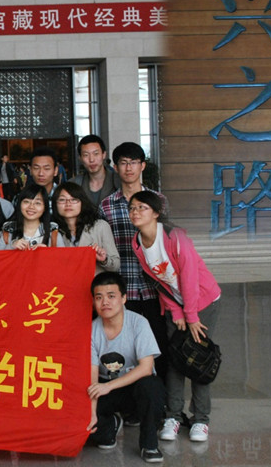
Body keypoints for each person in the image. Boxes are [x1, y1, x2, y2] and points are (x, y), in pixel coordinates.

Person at [129, 190, 222, 443]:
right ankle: (173, 416)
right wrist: (176, 310)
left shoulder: (175, 236)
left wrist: (190, 315)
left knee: (198, 357)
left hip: (203, 301)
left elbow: (189, 277)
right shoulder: (137, 242)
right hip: (177, 307)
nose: (136, 212)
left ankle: (201, 419)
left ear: (156, 213)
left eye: (142, 208)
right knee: (174, 359)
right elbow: (159, 282)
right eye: (133, 208)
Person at [99, 142, 169, 378]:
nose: (128, 168)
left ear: (142, 166)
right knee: (126, 349)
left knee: (160, 345)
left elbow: (167, 242)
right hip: (124, 288)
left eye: (133, 162)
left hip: (155, 288)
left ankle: (162, 397)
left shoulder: (158, 200)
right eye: (123, 163)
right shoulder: (106, 205)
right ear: (115, 167)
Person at [87, 272, 166, 463]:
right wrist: (91, 414)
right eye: (99, 297)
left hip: (134, 388)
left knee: (152, 387)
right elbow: (92, 377)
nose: (105, 302)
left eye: (111, 296)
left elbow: (146, 368)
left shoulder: (139, 323)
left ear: (123, 298)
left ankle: (149, 445)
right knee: (83, 416)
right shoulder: (91, 330)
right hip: (105, 389)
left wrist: (108, 386)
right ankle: (111, 426)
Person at [52, 182, 120, 274]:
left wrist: (104, 260)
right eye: (62, 200)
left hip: (95, 282)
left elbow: (116, 265)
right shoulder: (53, 232)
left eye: (74, 199)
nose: (68, 204)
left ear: (82, 202)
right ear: (55, 204)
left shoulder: (100, 226)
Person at [0, 183, 62, 250]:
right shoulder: (8, 232)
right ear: (19, 204)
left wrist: (47, 252)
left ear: (45, 208)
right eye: (26, 202)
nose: (31, 207)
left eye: (37, 203)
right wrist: (11, 247)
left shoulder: (54, 234)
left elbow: (64, 256)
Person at [70, 135, 120, 208]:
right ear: (80, 158)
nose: (91, 159)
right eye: (86, 155)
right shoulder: (74, 184)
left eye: (96, 154)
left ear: (104, 154)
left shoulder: (119, 181)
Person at [23, 147, 59, 211]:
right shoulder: (23, 197)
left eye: (47, 169)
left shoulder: (63, 197)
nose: (41, 173)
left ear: (55, 171)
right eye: (36, 168)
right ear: (30, 170)